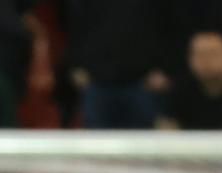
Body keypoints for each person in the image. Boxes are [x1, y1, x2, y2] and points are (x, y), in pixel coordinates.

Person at [66, 0, 175, 130]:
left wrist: (167, 69)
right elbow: (76, 26)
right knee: (97, 147)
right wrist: (76, 65)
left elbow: (171, 25)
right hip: (96, 82)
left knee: (143, 146)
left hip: (144, 83)